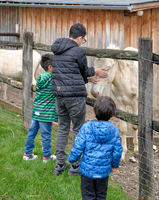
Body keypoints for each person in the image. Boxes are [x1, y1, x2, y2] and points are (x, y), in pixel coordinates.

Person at [51, 23, 108, 176]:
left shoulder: (57, 49)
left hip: (59, 96)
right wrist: (95, 71)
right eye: (84, 39)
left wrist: (89, 79)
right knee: (77, 129)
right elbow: (83, 72)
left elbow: (70, 73)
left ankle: (59, 165)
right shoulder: (78, 51)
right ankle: (75, 167)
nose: (83, 42)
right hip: (75, 97)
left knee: (62, 128)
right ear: (81, 37)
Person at [67, 96, 123, 200]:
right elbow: (117, 151)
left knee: (88, 195)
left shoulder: (86, 127)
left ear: (94, 112)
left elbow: (78, 146)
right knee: (101, 196)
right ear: (112, 115)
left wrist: (71, 159)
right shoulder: (114, 130)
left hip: (87, 171)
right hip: (103, 171)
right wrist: (114, 165)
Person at [23, 54, 58, 163]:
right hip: (46, 113)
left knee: (32, 132)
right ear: (50, 67)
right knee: (46, 135)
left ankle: (27, 153)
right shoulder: (53, 79)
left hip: (36, 111)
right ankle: (46, 157)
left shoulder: (40, 77)